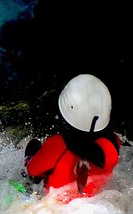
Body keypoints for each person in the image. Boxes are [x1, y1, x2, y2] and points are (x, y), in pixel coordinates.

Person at [24, 73, 121, 203]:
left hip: (54, 209)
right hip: (92, 205)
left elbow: (33, 171)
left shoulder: (57, 145)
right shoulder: (114, 145)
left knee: (33, 147)